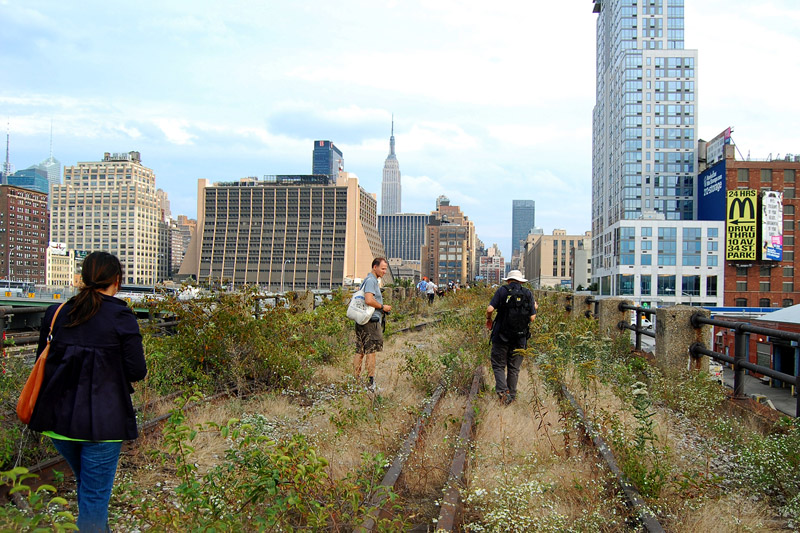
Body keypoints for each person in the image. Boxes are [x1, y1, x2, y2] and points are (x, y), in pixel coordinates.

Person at [29, 252, 147, 532]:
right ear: (116, 280)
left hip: (58, 422)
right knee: (94, 495)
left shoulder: (56, 312)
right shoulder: (121, 315)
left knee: (88, 488)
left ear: (83, 278)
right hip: (103, 425)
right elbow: (137, 371)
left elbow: (41, 363)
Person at [485, 270, 536, 405]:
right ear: (521, 281)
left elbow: (490, 309)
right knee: (514, 368)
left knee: (499, 365)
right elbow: (532, 318)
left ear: (508, 280)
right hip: (520, 338)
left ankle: (502, 393)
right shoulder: (528, 293)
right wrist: (535, 308)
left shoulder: (502, 291)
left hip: (501, 335)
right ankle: (511, 397)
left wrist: (488, 319)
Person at [353, 257, 392, 391]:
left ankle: (356, 380)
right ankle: (371, 383)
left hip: (362, 320)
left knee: (360, 350)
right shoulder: (371, 281)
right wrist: (382, 307)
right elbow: (369, 300)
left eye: (385, 269)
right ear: (374, 267)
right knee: (371, 351)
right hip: (370, 321)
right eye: (382, 268)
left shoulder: (367, 280)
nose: (384, 271)